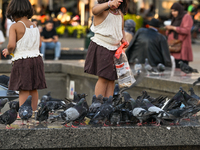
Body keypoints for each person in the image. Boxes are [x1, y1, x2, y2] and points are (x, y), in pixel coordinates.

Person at [2, 0, 47, 112]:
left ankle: (23, 113)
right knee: (33, 88)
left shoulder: (15, 26)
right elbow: (40, 44)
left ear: (13, 11)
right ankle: (33, 112)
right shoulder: (34, 25)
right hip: (37, 59)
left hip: (23, 61)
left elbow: (11, 45)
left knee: (23, 88)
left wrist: (8, 50)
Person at [84, 0, 129, 98]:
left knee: (111, 78)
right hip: (102, 46)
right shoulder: (102, 10)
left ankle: (108, 104)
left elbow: (121, 29)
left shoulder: (119, 13)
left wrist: (123, 39)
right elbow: (94, 10)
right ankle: (98, 105)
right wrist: (109, 4)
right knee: (104, 78)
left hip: (115, 50)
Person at [165, 2, 193, 68]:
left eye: (175, 11)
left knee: (183, 69)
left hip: (182, 47)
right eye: (172, 11)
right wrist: (168, 30)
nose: (173, 13)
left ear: (179, 10)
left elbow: (186, 30)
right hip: (174, 48)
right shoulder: (175, 18)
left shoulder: (186, 17)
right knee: (175, 68)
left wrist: (173, 28)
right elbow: (169, 33)